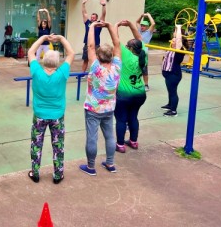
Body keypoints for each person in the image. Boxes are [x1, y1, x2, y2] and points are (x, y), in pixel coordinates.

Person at [27, 34, 75, 184]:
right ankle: (58, 174)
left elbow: (30, 52)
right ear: (57, 62)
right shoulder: (62, 73)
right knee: (58, 145)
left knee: (36, 144)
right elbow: (71, 53)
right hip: (57, 116)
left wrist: (43, 39)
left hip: (40, 115)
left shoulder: (36, 71)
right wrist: (60, 38)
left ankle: (35, 173)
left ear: (43, 60)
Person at [79, 21, 121, 176]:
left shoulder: (96, 67)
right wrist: (110, 27)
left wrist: (91, 27)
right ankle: (110, 163)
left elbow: (90, 46)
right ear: (111, 56)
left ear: (98, 55)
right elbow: (117, 45)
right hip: (109, 108)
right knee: (110, 136)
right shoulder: (117, 66)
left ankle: (91, 167)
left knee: (92, 137)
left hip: (93, 108)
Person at [114, 20, 147, 153]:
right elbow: (139, 38)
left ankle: (120, 144)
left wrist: (116, 25)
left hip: (124, 95)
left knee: (121, 119)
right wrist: (131, 25)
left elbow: (116, 41)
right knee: (133, 117)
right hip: (140, 93)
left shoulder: (127, 55)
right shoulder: (143, 55)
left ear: (130, 48)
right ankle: (133, 141)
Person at [161, 25, 188, 117]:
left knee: (173, 92)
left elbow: (179, 40)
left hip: (174, 75)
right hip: (168, 74)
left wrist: (179, 28)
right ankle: (170, 105)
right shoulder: (172, 49)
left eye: (174, 40)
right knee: (170, 91)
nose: (172, 41)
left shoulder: (180, 49)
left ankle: (173, 111)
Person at [81, 0, 107, 77]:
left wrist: (103, 5)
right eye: (91, 17)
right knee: (85, 60)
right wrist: (83, 4)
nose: (92, 18)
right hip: (87, 44)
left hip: (96, 45)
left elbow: (103, 15)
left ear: (96, 18)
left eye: (94, 17)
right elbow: (84, 13)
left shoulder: (99, 24)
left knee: (97, 60)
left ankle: (96, 74)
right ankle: (82, 75)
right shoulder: (87, 23)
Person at [136, 13, 156, 91]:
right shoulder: (139, 31)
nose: (142, 27)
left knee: (144, 69)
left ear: (147, 27)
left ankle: (146, 85)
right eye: (141, 25)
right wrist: (141, 16)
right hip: (136, 52)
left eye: (143, 26)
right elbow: (137, 22)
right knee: (136, 68)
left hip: (144, 53)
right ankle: (136, 82)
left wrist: (148, 15)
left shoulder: (149, 32)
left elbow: (153, 23)